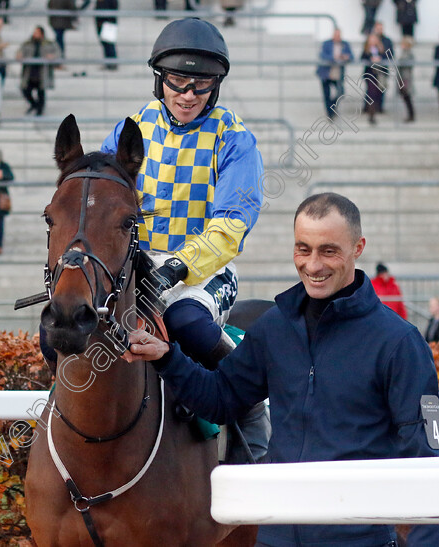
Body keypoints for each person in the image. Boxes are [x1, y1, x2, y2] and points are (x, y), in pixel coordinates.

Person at [126, 193, 439, 547]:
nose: (313, 264)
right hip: (275, 535)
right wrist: (167, 357)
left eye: (328, 250)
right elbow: (221, 398)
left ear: (358, 248)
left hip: (358, 539)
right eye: (303, 249)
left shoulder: (400, 342)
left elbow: (427, 460)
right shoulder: (274, 326)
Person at [100, 18, 267, 459]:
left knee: (186, 323)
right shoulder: (129, 129)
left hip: (204, 271)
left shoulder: (235, 139)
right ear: (160, 78)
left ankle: (249, 403)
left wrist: (179, 267)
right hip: (136, 265)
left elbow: (232, 223)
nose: (189, 94)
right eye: (178, 81)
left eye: (202, 85)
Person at [16, 26, 60, 116]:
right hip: (30, 71)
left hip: (42, 72)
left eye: (37, 32)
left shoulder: (49, 43)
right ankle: (34, 105)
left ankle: (40, 110)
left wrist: (52, 56)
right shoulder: (28, 43)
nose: (35, 34)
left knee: (41, 92)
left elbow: (58, 53)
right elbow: (19, 52)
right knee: (25, 90)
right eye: (34, 32)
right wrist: (19, 56)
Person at [316, 28, 353, 118]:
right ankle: (330, 114)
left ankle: (332, 107)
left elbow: (351, 56)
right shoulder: (327, 44)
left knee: (340, 92)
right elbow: (322, 55)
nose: (337, 37)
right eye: (336, 35)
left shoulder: (345, 44)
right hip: (326, 73)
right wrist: (334, 57)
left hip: (338, 73)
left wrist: (345, 57)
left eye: (339, 35)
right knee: (326, 94)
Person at [361, 33, 385, 125]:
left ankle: (375, 110)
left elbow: (386, 57)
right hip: (370, 74)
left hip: (379, 74)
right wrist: (371, 59)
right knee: (371, 93)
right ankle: (371, 114)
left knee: (377, 93)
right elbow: (362, 58)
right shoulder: (366, 50)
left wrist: (380, 59)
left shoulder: (381, 49)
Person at [95, 0, 118, 70]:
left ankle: (111, 63)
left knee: (108, 43)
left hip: (106, 23)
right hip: (103, 23)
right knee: (106, 43)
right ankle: (109, 62)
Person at [398, 36, 415, 122]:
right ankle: (410, 115)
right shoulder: (404, 52)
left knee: (407, 96)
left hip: (405, 78)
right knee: (405, 96)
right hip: (402, 77)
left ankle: (411, 115)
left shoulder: (408, 54)